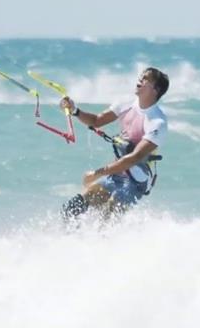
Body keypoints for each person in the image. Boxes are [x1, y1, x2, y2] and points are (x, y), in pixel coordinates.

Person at [61, 67, 169, 220]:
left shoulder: (157, 122)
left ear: (155, 90)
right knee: (73, 208)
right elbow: (96, 121)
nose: (140, 79)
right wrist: (75, 110)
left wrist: (96, 174)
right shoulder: (125, 104)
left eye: (146, 79)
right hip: (116, 175)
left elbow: (134, 158)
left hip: (137, 181)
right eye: (141, 76)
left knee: (107, 217)